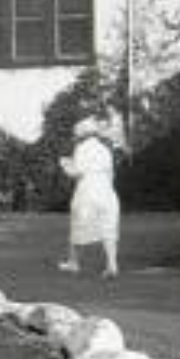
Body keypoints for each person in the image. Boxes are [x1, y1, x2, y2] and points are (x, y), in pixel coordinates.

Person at [58, 116, 120, 277]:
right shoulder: (105, 149)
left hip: (87, 190)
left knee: (78, 226)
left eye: (77, 134)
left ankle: (74, 263)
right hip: (106, 191)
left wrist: (65, 165)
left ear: (82, 134)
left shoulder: (81, 148)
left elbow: (77, 172)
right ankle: (112, 264)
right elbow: (112, 174)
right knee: (108, 227)